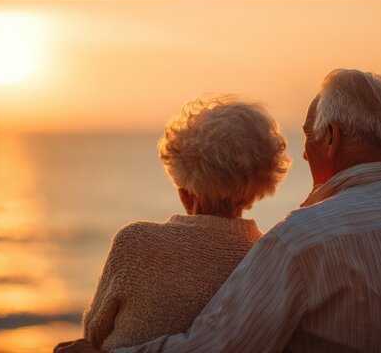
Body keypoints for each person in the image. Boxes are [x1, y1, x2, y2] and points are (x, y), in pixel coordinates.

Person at [56, 69, 381, 353]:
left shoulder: (303, 240)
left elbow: (214, 347)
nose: (303, 152)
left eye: (308, 136)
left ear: (331, 138)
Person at [56, 95, 290, 352]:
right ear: (256, 191)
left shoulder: (136, 242)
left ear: (184, 190)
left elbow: (94, 334)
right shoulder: (265, 258)